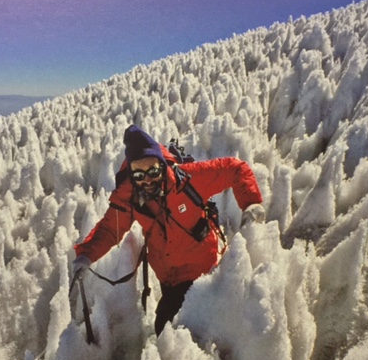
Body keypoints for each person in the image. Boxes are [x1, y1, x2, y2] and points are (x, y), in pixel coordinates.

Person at [72, 125, 264, 336]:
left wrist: (251, 202)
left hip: (199, 272)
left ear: (162, 165)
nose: (147, 179)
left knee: (168, 329)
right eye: (139, 173)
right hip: (167, 275)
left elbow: (235, 168)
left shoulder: (188, 179)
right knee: (173, 328)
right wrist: (86, 255)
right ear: (131, 173)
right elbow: (110, 229)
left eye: (153, 170)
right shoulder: (130, 196)